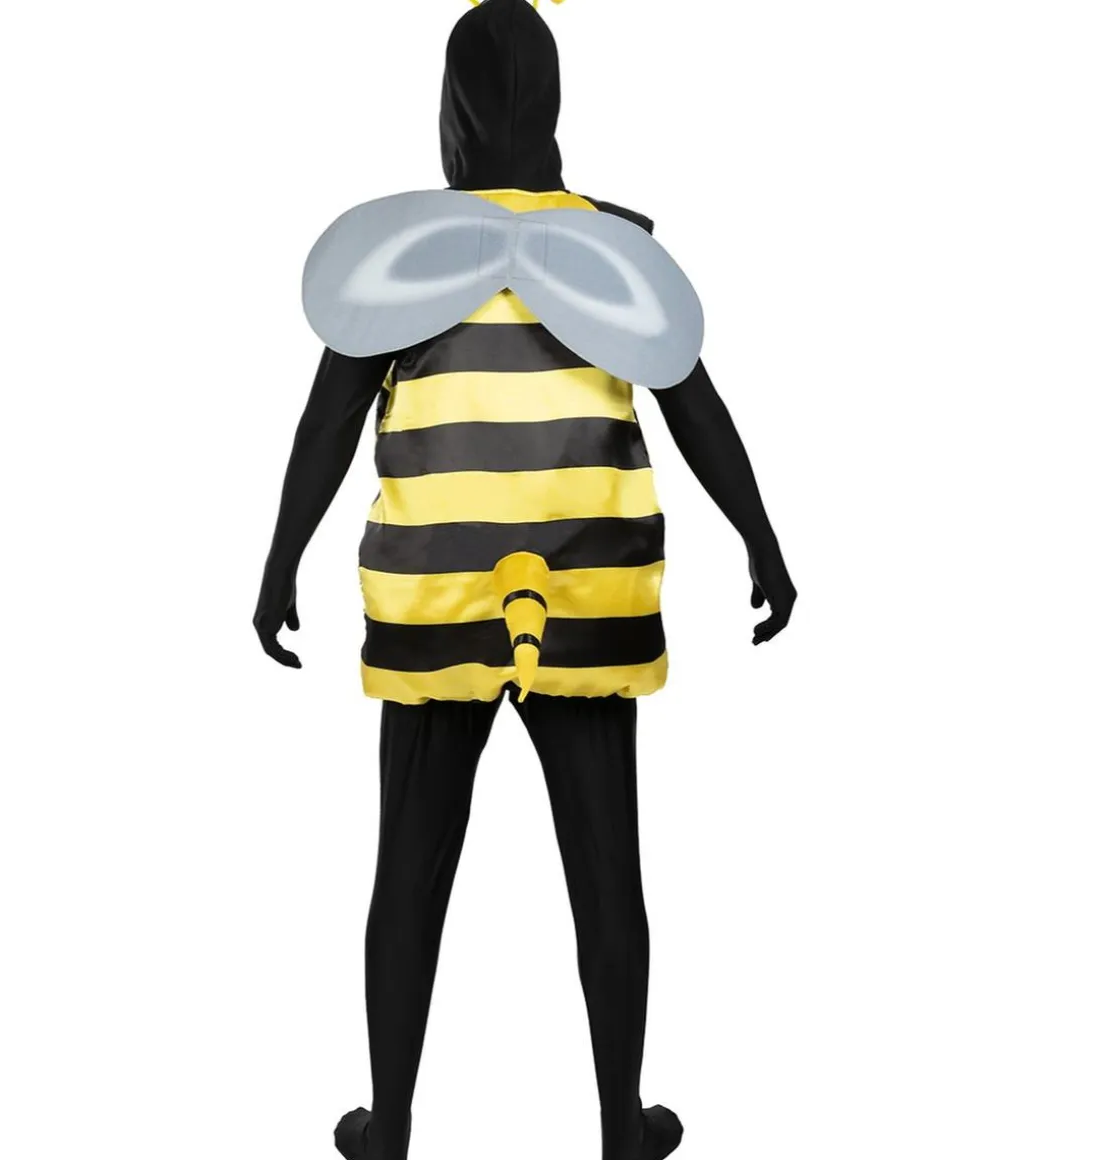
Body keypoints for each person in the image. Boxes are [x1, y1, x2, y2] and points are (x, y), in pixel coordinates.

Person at [254, 2, 796, 1157]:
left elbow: (326, 423)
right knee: (606, 862)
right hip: (590, 584)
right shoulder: (615, 247)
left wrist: (278, 558)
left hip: (431, 591)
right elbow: (695, 406)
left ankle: (388, 1123)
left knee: (410, 863)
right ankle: (620, 1122)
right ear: (553, 102)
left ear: (447, 111)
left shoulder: (396, 256)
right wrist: (760, 537)